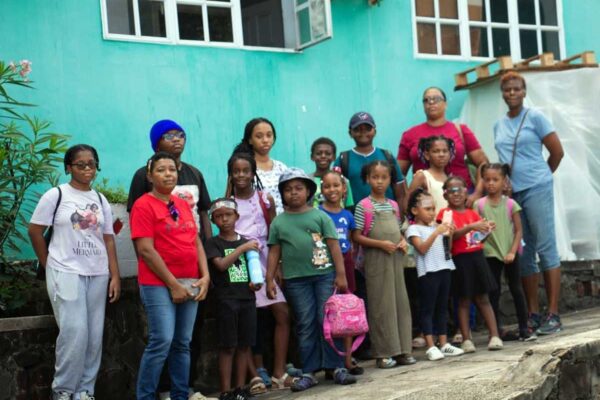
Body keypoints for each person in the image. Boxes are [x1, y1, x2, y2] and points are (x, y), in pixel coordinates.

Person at [127, 119, 212, 400]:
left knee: (183, 343)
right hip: (158, 283)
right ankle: (146, 396)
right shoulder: (143, 205)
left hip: (191, 280)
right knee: (161, 340)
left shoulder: (182, 204)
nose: (168, 174)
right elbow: (146, 250)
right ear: (150, 175)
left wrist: (205, 276)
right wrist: (173, 284)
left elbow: (195, 240)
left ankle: (179, 395)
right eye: (161, 170)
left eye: (172, 170)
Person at [28, 144, 121, 400]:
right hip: (66, 271)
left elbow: (108, 239)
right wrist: (49, 264)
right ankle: (63, 390)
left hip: (98, 273)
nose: (87, 169)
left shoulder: (100, 199)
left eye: (92, 164)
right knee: (74, 332)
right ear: (69, 167)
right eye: (81, 165)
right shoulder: (56, 195)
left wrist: (114, 275)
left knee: (94, 336)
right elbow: (35, 231)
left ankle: (85, 391)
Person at [266, 168, 356, 392]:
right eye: (288, 189)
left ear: (308, 191)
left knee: (326, 320)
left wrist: (341, 274)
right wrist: (269, 279)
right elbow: (274, 252)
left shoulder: (320, 216)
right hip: (296, 281)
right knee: (305, 323)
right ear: (282, 194)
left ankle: (336, 367)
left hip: (324, 276)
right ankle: (309, 371)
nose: (294, 193)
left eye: (299, 188)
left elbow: (334, 246)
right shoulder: (279, 222)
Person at [493, 71, 564, 335]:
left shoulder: (535, 117)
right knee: (524, 252)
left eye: (516, 89)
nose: (512, 93)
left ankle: (553, 314)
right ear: (502, 94)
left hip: (537, 187)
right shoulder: (498, 125)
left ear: (524, 92)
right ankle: (532, 314)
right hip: (513, 195)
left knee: (546, 247)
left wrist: (541, 177)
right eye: (507, 90)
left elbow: (557, 152)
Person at [226, 152, 298, 390]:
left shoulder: (264, 198)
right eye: (236, 171)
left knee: (282, 312)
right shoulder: (227, 203)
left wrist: (277, 266)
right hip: (242, 263)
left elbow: (274, 233)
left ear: (253, 173)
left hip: (267, 260)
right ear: (230, 175)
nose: (241, 175)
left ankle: (278, 371)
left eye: (245, 170)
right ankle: (255, 374)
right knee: (247, 320)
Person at [351, 160, 414, 369]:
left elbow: (398, 230)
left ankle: (403, 350)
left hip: (395, 259)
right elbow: (357, 236)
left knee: (400, 304)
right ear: (367, 179)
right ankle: (384, 353)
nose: (379, 181)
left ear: (390, 180)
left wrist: (402, 241)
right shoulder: (363, 206)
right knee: (381, 306)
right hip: (376, 261)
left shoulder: (394, 205)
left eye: (384, 177)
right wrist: (380, 244)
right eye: (375, 177)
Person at [204, 198, 262, 400]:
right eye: (218, 216)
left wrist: (256, 284)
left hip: (247, 298)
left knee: (245, 345)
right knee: (227, 345)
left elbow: (253, 270)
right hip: (226, 300)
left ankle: (240, 388)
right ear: (213, 220)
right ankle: (226, 391)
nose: (224, 219)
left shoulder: (245, 242)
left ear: (236, 216)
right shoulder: (213, 243)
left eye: (228, 215)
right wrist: (242, 249)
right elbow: (220, 265)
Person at [437, 177, 502, 353]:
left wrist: (486, 231)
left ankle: (494, 335)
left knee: (483, 298)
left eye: (460, 189)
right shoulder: (445, 214)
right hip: (460, 259)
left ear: (466, 191)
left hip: (477, 257)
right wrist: (471, 226)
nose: (456, 194)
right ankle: (466, 339)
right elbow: (450, 236)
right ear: (445, 195)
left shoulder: (472, 213)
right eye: (451, 191)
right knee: (463, 300)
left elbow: (477, 239)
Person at [398, 87, 489, 204]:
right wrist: (406, 198)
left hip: (461, 199)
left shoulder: (460, 130)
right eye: (426, 100)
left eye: (436, 99)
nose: (431, 102)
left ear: (445, 104)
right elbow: (398, 174)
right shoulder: (410, 135)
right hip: (425, 202)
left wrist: (477, 193)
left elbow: (483, 163)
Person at [474, 163, 533, 342]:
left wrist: (512, 252)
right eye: (487, 180)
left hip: (510, 252)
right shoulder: (479, 205)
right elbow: (475, 233)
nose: (491, 183)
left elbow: (519, 231)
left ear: (504, 181)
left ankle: (524, 328)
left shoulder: (511, 204)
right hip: (490, 253)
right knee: (493, 292)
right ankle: (496, 330)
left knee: (516, 289)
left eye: (495, 179)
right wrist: (483, 230)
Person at [405, 189, 464, 361]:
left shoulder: (435, 227)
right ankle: (431, 345)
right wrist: (437, 232)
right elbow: (422, 248)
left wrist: (449, 234)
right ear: (415, 210)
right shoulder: (413, 229)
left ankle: (444, 343)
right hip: (428, 272)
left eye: (433, 208)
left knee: (442, 307)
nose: (432, 212)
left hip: (444, 268)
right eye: (427, 209)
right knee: (428, 308)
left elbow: (447, 249)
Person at [318, 169, 363, 374]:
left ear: (344, 189)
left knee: (347, 311)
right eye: (327, 186)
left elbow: (353, 242)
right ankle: (331, 360)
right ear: (321, 190)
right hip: (326, 264)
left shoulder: (348, 215)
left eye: (336, 185)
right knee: (330, 313)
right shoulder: (318, 214)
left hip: (347, 263)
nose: (332, 190)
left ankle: (347, 357)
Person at [334, 111, 406, 209]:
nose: (363, 132)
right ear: (350, 133)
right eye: (357, 129)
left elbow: (400, 193)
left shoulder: (387, 156)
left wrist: (399, 215)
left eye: (367, 129)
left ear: (374, 131)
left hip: (387, 214)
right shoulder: (344, 159)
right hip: (356, 216)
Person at [232, 118, 287, 214]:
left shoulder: (281, 167)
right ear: (250, 140)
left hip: (282, 221)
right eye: (259, 136)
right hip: (255, 221)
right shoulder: (243, 169)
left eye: (269, 135)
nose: (265, 140)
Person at [406, 135, 455, 215]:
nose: (441, 154)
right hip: (430, 222)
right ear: (427, 155)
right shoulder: (422, 176)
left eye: (445, 151)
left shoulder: (450, 179)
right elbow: (407, 203)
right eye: (436, 151)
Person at [309, 137, 353, 209]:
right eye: (319, 153)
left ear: (334, 157)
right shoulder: (307, 181)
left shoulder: (344, 181)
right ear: (312, 157)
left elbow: (349, 208)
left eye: (328, 153)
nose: (323, 156)